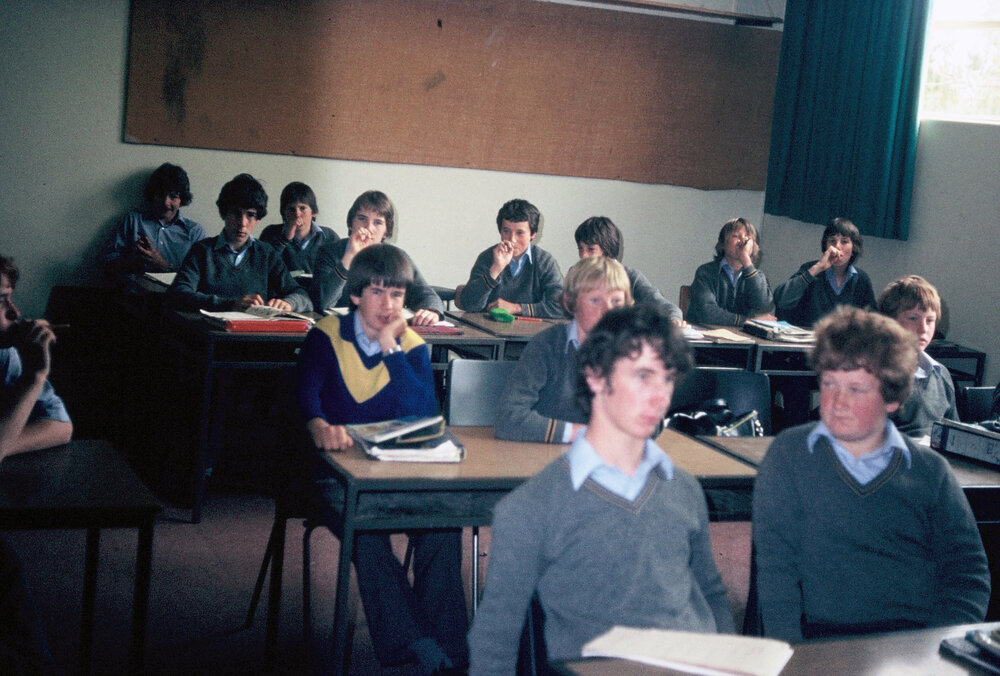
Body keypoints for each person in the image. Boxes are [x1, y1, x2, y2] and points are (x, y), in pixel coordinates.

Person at [469, 304, 734, 673]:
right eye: (642, 376)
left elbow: (711, 594)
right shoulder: (531, 508)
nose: (659, 397)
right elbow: (494, 639)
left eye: (667, 379)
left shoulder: (683, 488)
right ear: (595, 376)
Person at [752, 306, 989, 643]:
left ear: (891, 398)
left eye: (857, 389)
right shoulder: (789, 457)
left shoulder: (929, 472)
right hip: (822, 641)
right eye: (830, 384)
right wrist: (795, 656)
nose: (836, 401)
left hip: (914, 642)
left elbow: (968, 574)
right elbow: (777, 576)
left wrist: (935, 647)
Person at [296, 244, 467, 674]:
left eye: (397, 295)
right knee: (366, 533)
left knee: (444, 526)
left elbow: (423, 415)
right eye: (377, 293)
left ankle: (451, 652)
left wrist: (391, 350)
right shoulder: (327, 334)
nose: (389, 305)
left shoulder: (410, 344)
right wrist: (317, 424)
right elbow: (303, 394)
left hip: (395, 472)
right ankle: (411, 647)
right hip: (334, 472)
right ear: (355, 294)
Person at [1, 254, 72, 674]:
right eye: (2, 302)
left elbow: (61, 426)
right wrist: (34, 381)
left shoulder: (8, 357)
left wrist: (4, 441)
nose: (16, 313)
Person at [495, 256, 632, 443]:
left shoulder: (631, 353)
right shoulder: (547, 345)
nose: (607, 310)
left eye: (616, 301)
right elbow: (508, 418)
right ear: (571, 302)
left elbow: (651, 424)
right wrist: (584, 434)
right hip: (544, 459)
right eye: (595, 300)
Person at [165, 173, 311, 313]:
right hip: (211, 335)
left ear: (258, 218)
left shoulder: (266, 254)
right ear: (223, 213)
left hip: (253, 336)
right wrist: (230, 305)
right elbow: (178, 294)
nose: (242, 223)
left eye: (251, 215)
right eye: (235, 213)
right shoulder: (202, 251)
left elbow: (303, 296)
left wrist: (289, 303)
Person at [310, 191, 443, 326]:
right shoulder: (329, 252)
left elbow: (426, 293)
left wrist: (431, 311)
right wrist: (349, 257)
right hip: (339, 331)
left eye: (378, 222)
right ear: (351, 224)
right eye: (362, 219)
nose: (368, 228)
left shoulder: (397, 257)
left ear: (386, 231)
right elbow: (321, 302)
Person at [876, 275, 957, 439]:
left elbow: (953, 437)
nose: (923, 329)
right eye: (913, 318)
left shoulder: (941, 375)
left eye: (930, 320)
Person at [456, 198, 564, 318]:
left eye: (520, 233)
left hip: (530, 334)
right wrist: (495, 269)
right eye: (506, 231)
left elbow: (561, 307)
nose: (512, 239)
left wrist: (516, 308)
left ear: (533, 234)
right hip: (490, 332)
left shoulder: (544, 261)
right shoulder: (487, 258)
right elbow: (469, 305)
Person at [574, 216, 684, 323]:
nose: (583, 255)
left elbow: (666, 307)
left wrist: (674, 320)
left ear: (607, 249)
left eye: (591, 249)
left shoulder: (630, 277)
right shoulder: (576, 275)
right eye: (580, 249)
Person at [773, 217, 876, 327]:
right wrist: (817, 268)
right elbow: (781, 300)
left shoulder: (861, 279)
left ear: (853, 248)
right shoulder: (810, 269)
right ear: (825, 246)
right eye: (832, 241)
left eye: (844, 241)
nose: (837, 246)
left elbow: (873, 319)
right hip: (809, 340)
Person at [105, 162, 205, 274]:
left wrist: (164, 265)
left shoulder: (194, 232)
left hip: (175, 291)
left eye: (173, 196)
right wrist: (136, 260)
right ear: (152, 195)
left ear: (182, 199)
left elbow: (199, 277)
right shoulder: (133, 221)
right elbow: (109, 265)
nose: (166, 203)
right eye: (160, 195)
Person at [686, 217, 774, 327]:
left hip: (741, 339)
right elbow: (707, 312)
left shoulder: (756, 275)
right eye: (736, 236)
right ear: (723, 244)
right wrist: (749, 321)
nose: (743, 241)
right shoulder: (706, 272)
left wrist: (746, 260)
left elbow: (762, 304)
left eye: (747, 237)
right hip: (705, 337)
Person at [258, 181, 339, 283]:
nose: (297, 214)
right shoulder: (270, 233)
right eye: (291, 209)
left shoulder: (329, 237)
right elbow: (262, 269)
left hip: (317, 294)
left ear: (313, 212)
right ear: (284, 213)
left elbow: (337, 278)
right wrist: (285, 239)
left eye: (302, 208)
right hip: (283, 295)